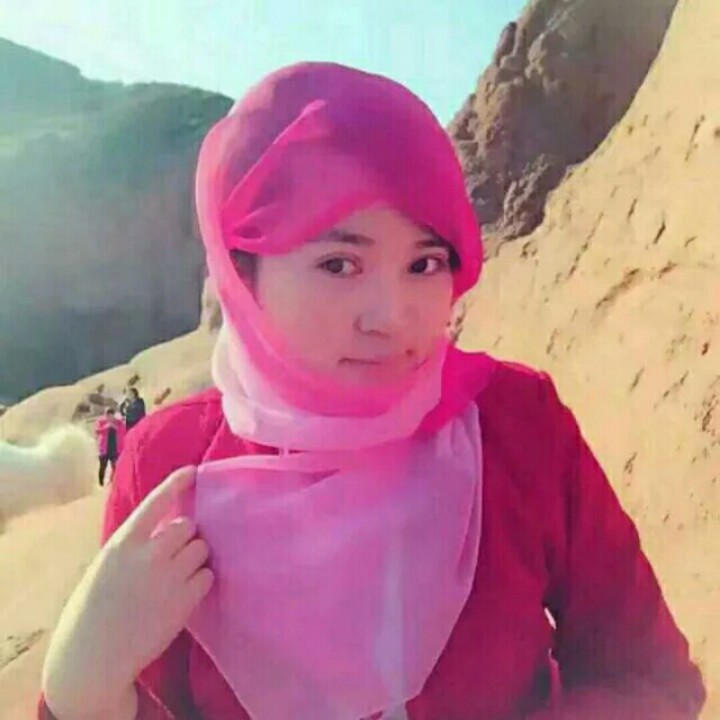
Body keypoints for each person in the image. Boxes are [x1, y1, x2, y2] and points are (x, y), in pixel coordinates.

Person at [39, 63, 706, 720]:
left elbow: (650, 678)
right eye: (340, 264)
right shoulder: (168, 469)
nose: (391, 317)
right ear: (243, 272)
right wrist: (82, 698)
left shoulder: (514, 423)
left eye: (424, 263)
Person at [94, 408, 124, 487]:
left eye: (111, 415)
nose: (110, 417)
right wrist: (107, 427)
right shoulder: (101, 421)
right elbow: (97, 430)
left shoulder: (118, 422)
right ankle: (101, 483)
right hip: (104, 449)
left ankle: (115, 483)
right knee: (102, 467)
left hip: (115, 449)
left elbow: (123, 431)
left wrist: (115, 427)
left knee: (116, 467)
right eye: (108, 415)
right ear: (106, 415)